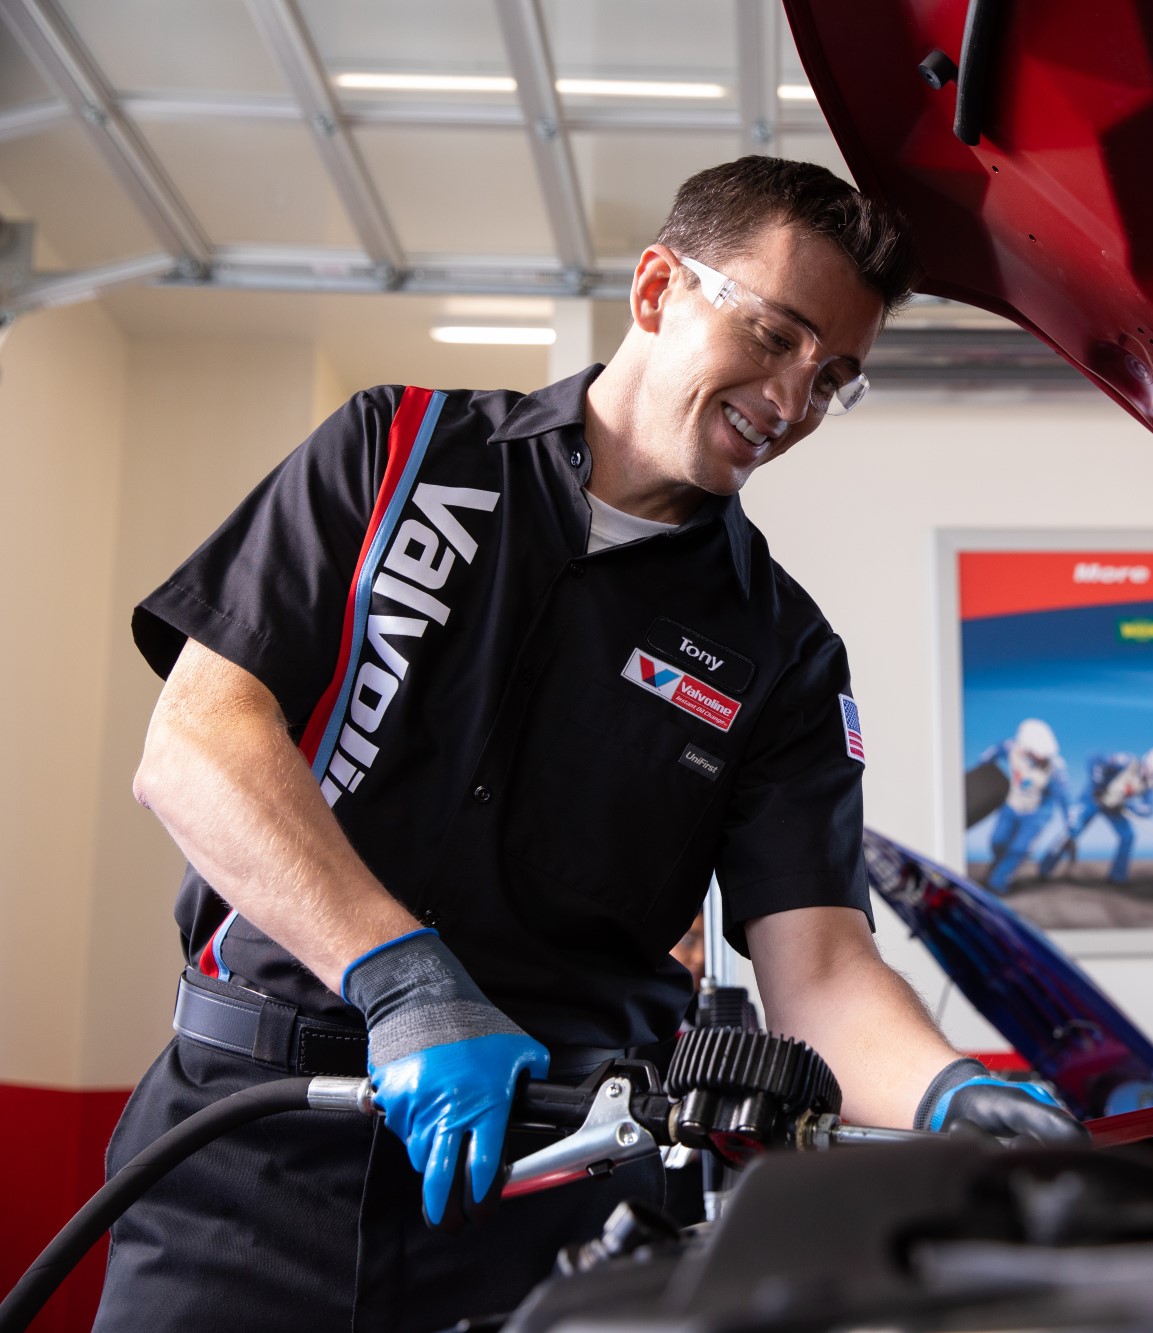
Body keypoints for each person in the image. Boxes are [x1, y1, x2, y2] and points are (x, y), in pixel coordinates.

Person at [99, 157, 1084, 1332]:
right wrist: (403, 979)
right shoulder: (397, 455)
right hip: (246, 1148)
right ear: (659, 285)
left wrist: (948, 1093)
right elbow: (198, 743)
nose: (793, 398)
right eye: (777, 336)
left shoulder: (784, 653)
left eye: (835, 378)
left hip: (549, 1188)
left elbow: (816, 968)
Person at [1039, 747, 1153, 886]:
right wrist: (1098, 787)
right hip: (1092, 798)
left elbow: (1149, 808)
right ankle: (1044, 870)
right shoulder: (1126, 761)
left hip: (1114, 807)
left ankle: (1117, 878)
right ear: (1152, 767)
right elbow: (1095, 759)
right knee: (1072, 829)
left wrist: (1127, 807)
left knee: (1128, 836)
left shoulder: (1150, 785)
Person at [976, 718, 1068, 892]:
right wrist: (984, 777)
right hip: (1011, 806)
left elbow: (1064, 797)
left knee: (1019, 849)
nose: (1041, 758)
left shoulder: (1056, 769)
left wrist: (1069, 823)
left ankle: (998, 883)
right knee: (998, 841)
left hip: (1035, 813)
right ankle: (998, 867)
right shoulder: (1011, 748)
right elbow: (987, 757)